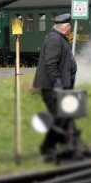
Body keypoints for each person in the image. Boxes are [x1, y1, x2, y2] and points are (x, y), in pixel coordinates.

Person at [32, 13, 79, 159]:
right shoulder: (54, 40)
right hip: (53, 88)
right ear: (66, 27)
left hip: (61, 87)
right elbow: (51, 64)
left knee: (65, 117)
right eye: (70, 26)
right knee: (59, 117)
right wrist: (57, 84)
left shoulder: (59, 38)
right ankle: (48, 147)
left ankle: (69, 145)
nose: (71, 28)